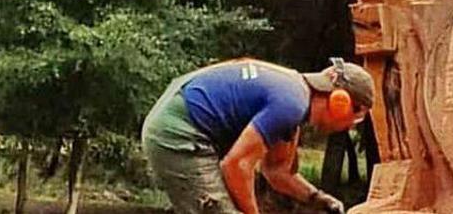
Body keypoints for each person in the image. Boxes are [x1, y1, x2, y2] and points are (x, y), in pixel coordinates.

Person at [142, 57, 375, 214]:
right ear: (341, 102)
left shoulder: (294, 100)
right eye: (355, 119)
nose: (349, 127)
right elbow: (236, 165)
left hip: (180, 123)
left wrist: (318, 199)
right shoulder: (291, 103)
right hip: (179, 133)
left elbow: (276, 172)